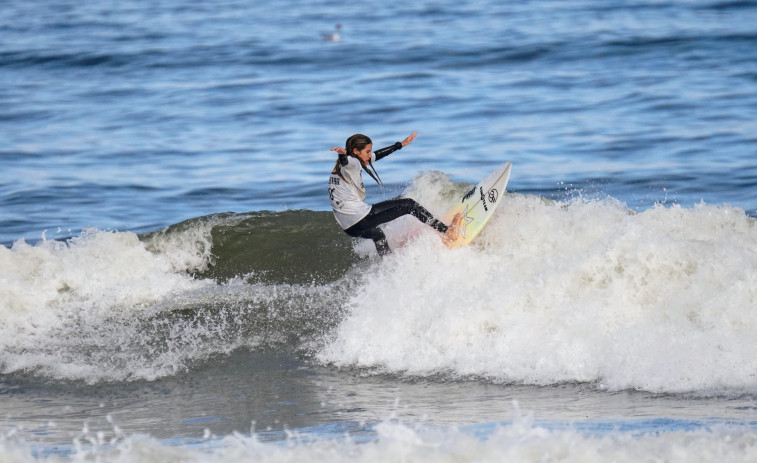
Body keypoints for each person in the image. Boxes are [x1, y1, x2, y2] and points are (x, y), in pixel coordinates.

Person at [328, 131, 461, 256]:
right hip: (360, 217)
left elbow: (377, 155)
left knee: (378, 235)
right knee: (409, 205)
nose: (370, 155)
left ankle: (386, 263)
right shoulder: (353, 162)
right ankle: (447, 231)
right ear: (356, 151)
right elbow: (347, 162)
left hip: (350, 227)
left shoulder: (341, 168)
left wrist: (400, 145)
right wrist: (342, 154)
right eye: (367, 152)